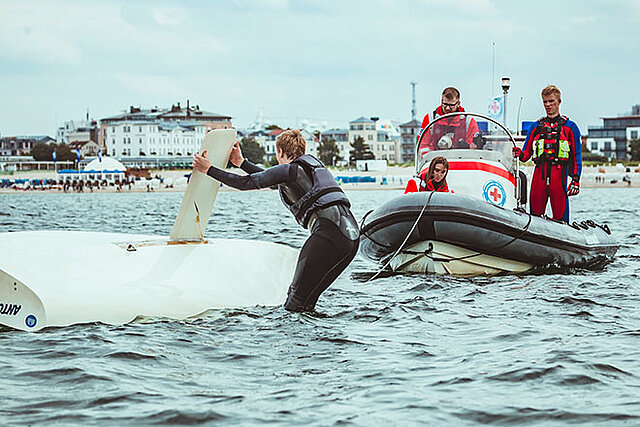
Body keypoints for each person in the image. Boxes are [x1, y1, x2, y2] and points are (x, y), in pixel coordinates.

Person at [193, 129, 359, 312]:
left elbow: (247, 183)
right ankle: (320, 339)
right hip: (351, 239)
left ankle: (295, 340)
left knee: (296, 301)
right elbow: (270, 178)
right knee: (307, 302)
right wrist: (241, 163)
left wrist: (208, 169)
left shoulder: (290, 171)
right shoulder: (307, 170)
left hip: (329, 235)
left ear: (280, 152)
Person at [513, 84, 582, 223]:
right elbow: (526, 155)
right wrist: (518, 153)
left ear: (559, 102)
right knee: (535, 215)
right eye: (545, 102)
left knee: (561, 217)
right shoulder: (536, 126)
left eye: (551, 101)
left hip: (559, 174)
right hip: (540, 174)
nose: (548, 105)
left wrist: (575, 180)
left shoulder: (570, 127)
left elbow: (576, 155)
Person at [418, 87, 480, 156]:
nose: (447, 108)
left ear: (458, 103)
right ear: (441, 101)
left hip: (461, 161)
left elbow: (474, 148)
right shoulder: (430, 119)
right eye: (445, 104)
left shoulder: (468, 121)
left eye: (451, 105)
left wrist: (466, 147)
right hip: (436, 163)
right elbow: (422, 146)